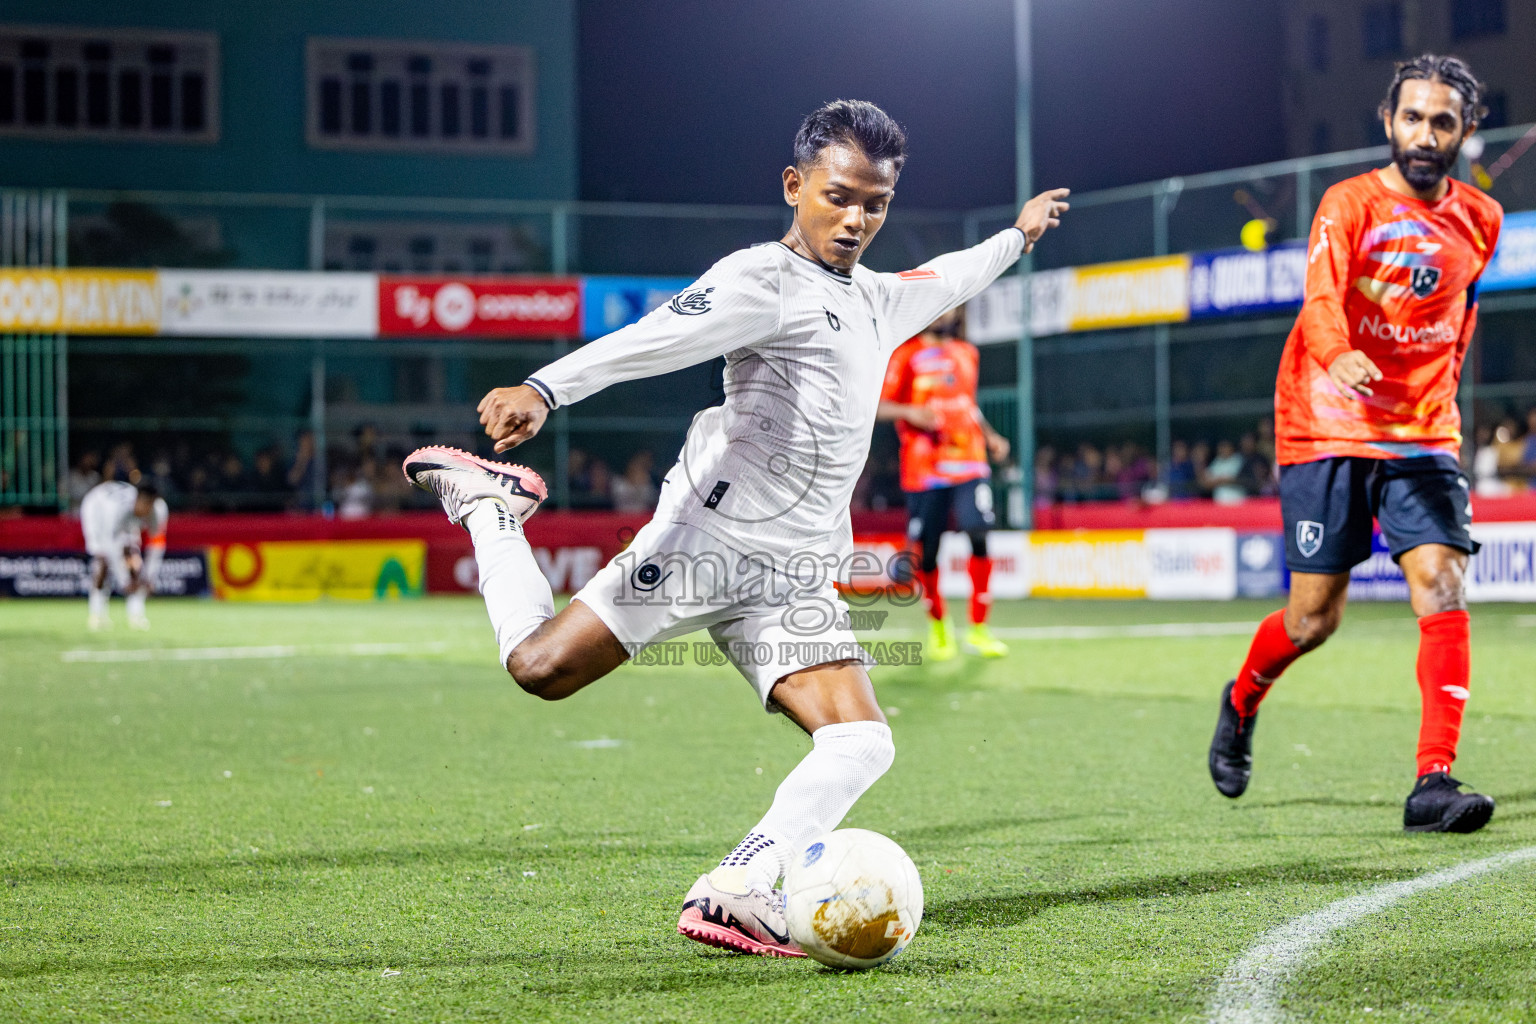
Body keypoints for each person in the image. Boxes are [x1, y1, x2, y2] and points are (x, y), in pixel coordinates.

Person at [401, 99, 1068, 956]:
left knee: (862, 742)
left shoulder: (876, 299)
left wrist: (1018, 236)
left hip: (794, 574)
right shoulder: (762, 280)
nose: (856, 218)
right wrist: (543, 389)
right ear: (794, 187)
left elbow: (955, 273)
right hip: (706, 546)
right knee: (539, 668)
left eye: (876, 203)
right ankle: (493, 509)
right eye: (837, 196)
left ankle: (739, 886)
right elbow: (654, 338)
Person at [1208, 55, 1503, 833]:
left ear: (1466, 131)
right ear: (1389, 121)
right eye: (1413, 117)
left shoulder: (1482, 219)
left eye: (1443, 121)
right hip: (1326, 423)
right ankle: (1241, 700)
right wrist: (1340, 356)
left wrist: (1439, 406)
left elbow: (1461, 318)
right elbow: (1320, 299)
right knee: (1313, 620)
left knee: (1441, 584)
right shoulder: (1350, 204)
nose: (1426, 133)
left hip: (1422, 434)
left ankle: (1432, 782)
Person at [877, 307, 1013, 660]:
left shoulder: (967, 353)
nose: (945, 311)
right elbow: (878, 406)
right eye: (941, 303)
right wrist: (909, 413)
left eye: (953, 304)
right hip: (925, 470)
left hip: (969, 461)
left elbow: (968, 404)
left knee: (979, 532)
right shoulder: (905, 354)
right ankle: (939, 627)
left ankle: (979, 629)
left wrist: (991, 435)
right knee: (929, 552)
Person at [80, 479, 168, 631]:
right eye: (144, 504)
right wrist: (124, 581)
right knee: (103, 561)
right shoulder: (115, 510)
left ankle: (136, 615)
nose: (146, 510)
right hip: (96, 510)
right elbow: (111, 548)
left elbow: (157, 546)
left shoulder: (159, 510)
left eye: (150, 505)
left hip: (124, 521)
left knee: (133, 558)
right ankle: (97, 614)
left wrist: (150, 577)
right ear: (137, 499)